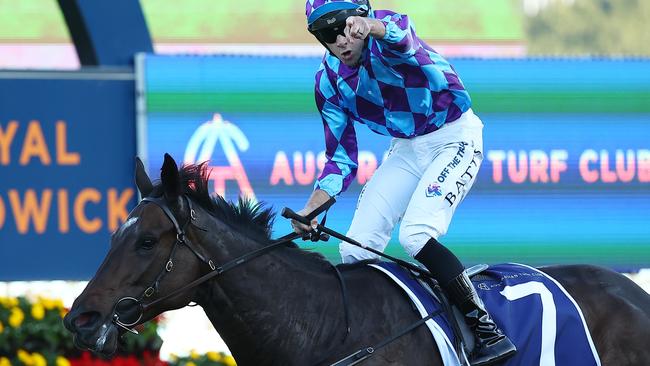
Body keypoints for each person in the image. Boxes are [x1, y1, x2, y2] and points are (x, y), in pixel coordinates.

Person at [292, 0, 516, 365]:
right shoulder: (327, 83)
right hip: (408, 149)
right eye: (326, 35)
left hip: (455, 136)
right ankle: (377, 337)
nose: (340, 42)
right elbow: (340, 159)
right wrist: (312, 209)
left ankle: (486, 330)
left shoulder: (388, 32)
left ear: (362, 18)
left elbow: (401, 36)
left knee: (415, 235)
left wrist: (372, 27)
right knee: (355, 249)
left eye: (345, 28)